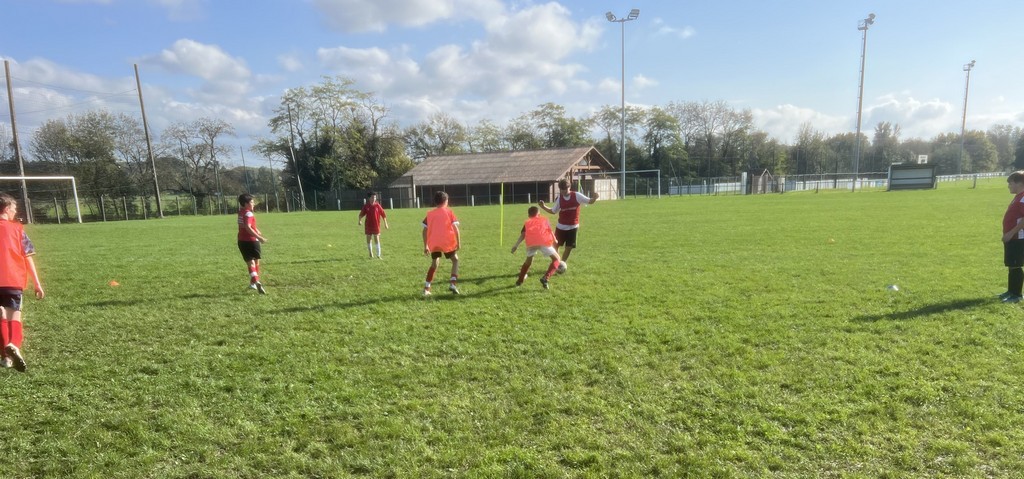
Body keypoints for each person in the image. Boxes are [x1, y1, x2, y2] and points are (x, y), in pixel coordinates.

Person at [0, 193, 44, 372]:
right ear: (6, 209)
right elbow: (28, 257)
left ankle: (6, 358)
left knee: (1, 316)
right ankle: (14, 344)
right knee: (14, 316)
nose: (15, 212)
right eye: (14, 208)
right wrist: (37, 283)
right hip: (13, 279)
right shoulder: (18, 230)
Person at [538, 177, 599, 264]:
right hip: (561, 227)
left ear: (569, 187)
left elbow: (590, 201)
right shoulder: (559, 199)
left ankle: (562, 263)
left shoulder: (577, 195)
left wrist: (594, 198)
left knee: (569, 247)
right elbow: (553, 211)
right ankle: (557, 262)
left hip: (573, 227)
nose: (563, 191)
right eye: (561, 189)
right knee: (555, 245)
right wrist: (543, 206)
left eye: (565, 189)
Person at [510, 206, 562, 289]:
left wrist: (516, 245)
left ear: (528, 215)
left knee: (528, 262)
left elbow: (523, 235)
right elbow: (550, 230)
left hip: (531, 243)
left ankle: (519, 281)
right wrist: (554, 239)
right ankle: (546, 278)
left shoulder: (527, 222)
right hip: (543, 241)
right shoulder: (544, 220)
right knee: (557, 259)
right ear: (539, 214)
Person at [422, 191, 461, 296]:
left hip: (434, 243)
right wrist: (458, 243)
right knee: (455, 260)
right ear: (446, 201)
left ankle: (426, 288)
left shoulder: (430, 214)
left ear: (435, 202)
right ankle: (452, 283)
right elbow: (455, 228)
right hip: (447, 242)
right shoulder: (449, 212)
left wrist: (426, 246)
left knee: (434, 263)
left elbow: (424, 231)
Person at [1000, 171, 1024, 303]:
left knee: (1016, 265)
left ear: (1018, 183)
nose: (1008, 186)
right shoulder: (1018, 197)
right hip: (1012, 238)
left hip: (1018, 238)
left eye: (1010, 183)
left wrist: (1010, 233)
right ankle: (1011, 291)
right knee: (1012, 265)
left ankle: (1017, 295)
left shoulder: (1023, 198)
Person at [237, 193, 267, 294]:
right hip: (253, 241)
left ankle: (254, 282)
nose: (253, 204)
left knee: (250, 263)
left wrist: (256, 229)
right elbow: (248, 227)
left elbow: (245, 225)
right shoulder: (249, 214)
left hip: (242, 241)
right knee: (256, 262)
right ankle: (255, 282)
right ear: (246, 204)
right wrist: (259, 237)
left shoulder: (240, 212)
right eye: (252, 202)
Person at [357, 191, 389, 259]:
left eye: (375, 197)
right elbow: (361, 214)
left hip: (376, 225)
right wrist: (359, 221)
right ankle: (370, 253)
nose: (374, 199)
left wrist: (386, 223)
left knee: (377, 239)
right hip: (368, 225)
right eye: (372, 197)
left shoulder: (378, 206)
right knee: (369, 239)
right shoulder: (366, 206)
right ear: (369, 198)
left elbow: (383, 215)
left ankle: (378, 255)